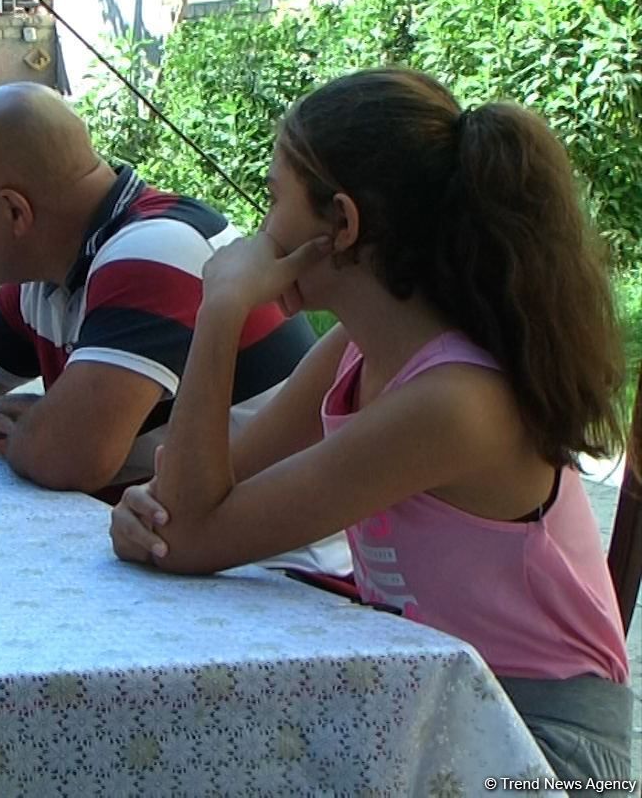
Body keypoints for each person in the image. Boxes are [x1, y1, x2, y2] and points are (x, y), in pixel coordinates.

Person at [109, 69, 630, 783]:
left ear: (343, 225)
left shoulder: (453, 403)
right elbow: (188, 506)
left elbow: (193, 538)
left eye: (273, 200)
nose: (261, 232)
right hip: (433, 699)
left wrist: (222, 309)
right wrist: (151, 513)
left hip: (539, 744)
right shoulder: (356, 350)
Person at [0, 84, 321, 498]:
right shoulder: (52, 269)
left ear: (15, 211)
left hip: (268, 559)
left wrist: (27, 434)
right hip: (181, 541)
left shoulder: (156, 251)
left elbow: (67, 457)